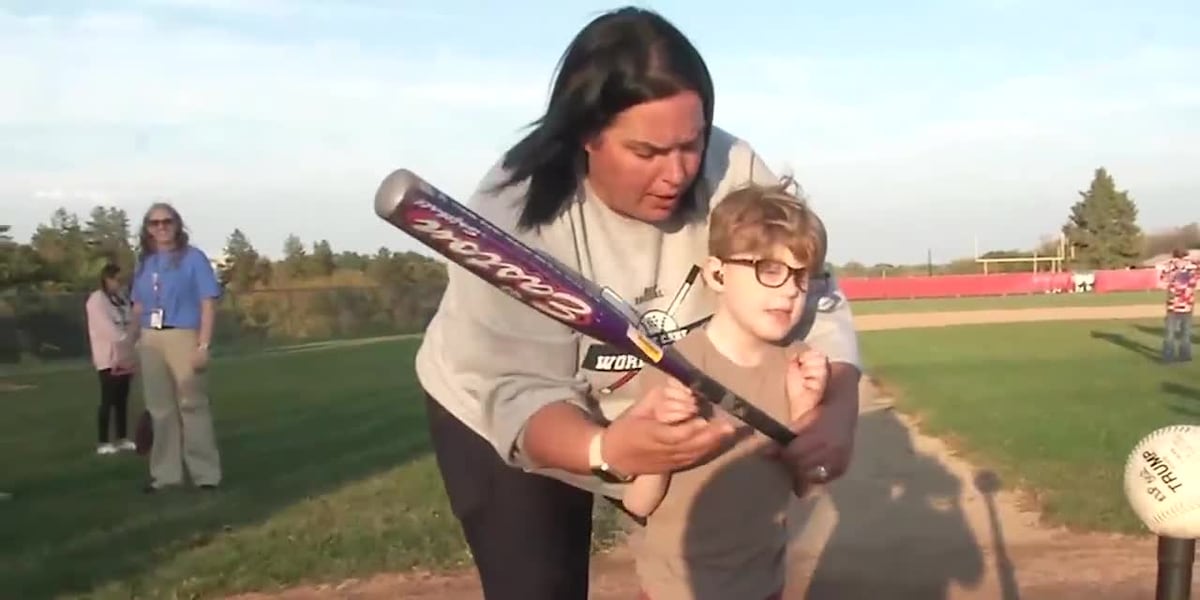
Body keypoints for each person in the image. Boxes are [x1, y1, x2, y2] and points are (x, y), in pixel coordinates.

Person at [414, 7, 862, 599]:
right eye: (647, 151)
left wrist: (839, 405)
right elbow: (518, 392)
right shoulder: (512, 215)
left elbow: (812, 289)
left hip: (657, 403)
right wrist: (605, 448)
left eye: (692, 142)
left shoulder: (731, 170)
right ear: (585, 136)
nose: (677, 173)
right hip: (507, 413)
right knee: (539, 586)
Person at [621, 180, 831, 600]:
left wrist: (805, 415)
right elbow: (638, 503)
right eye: (769, 269)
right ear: (717, 273)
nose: (791, 289)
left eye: (802, 276)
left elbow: (808, 489)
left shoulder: (798, 366)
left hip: (762, 587)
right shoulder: (674, 366)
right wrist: (662, 434)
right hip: (674, 591)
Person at [124, 202, 224, 493]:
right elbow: (138, 305)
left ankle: (206, 474)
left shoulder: (194, 259)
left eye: (167, 221)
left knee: (192, 405)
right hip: (150, 338)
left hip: (183, 334)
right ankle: (165, 475)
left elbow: (208, 303)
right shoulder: (145, 262)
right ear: (147, 229)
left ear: (177, 224)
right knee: (160, 409)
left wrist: (203, 345)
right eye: (154, 223)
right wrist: (128, 341)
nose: (161, 227)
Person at [85, 263, 137, 455]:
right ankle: (103, 441)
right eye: (117, 280)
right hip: (108, 357)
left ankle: (122, 437)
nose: (120, 284)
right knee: (108, 399)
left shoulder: (121, 298)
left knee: (122, 399)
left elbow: (131, 320)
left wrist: (131, 340)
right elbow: (106, 327)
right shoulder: (96, 300)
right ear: (107, 279)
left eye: (123, 281)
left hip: (126, 356)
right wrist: (124, 339)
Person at [1159, 247, 1197, 362]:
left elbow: (1162, 281)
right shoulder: (1191, 267)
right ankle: (1182, 355)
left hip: (1177, 304)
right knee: (1183, 333)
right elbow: (1194, 282)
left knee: (1173, 333)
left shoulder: (1170, 267)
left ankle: (1171, 356)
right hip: (1184, 304)